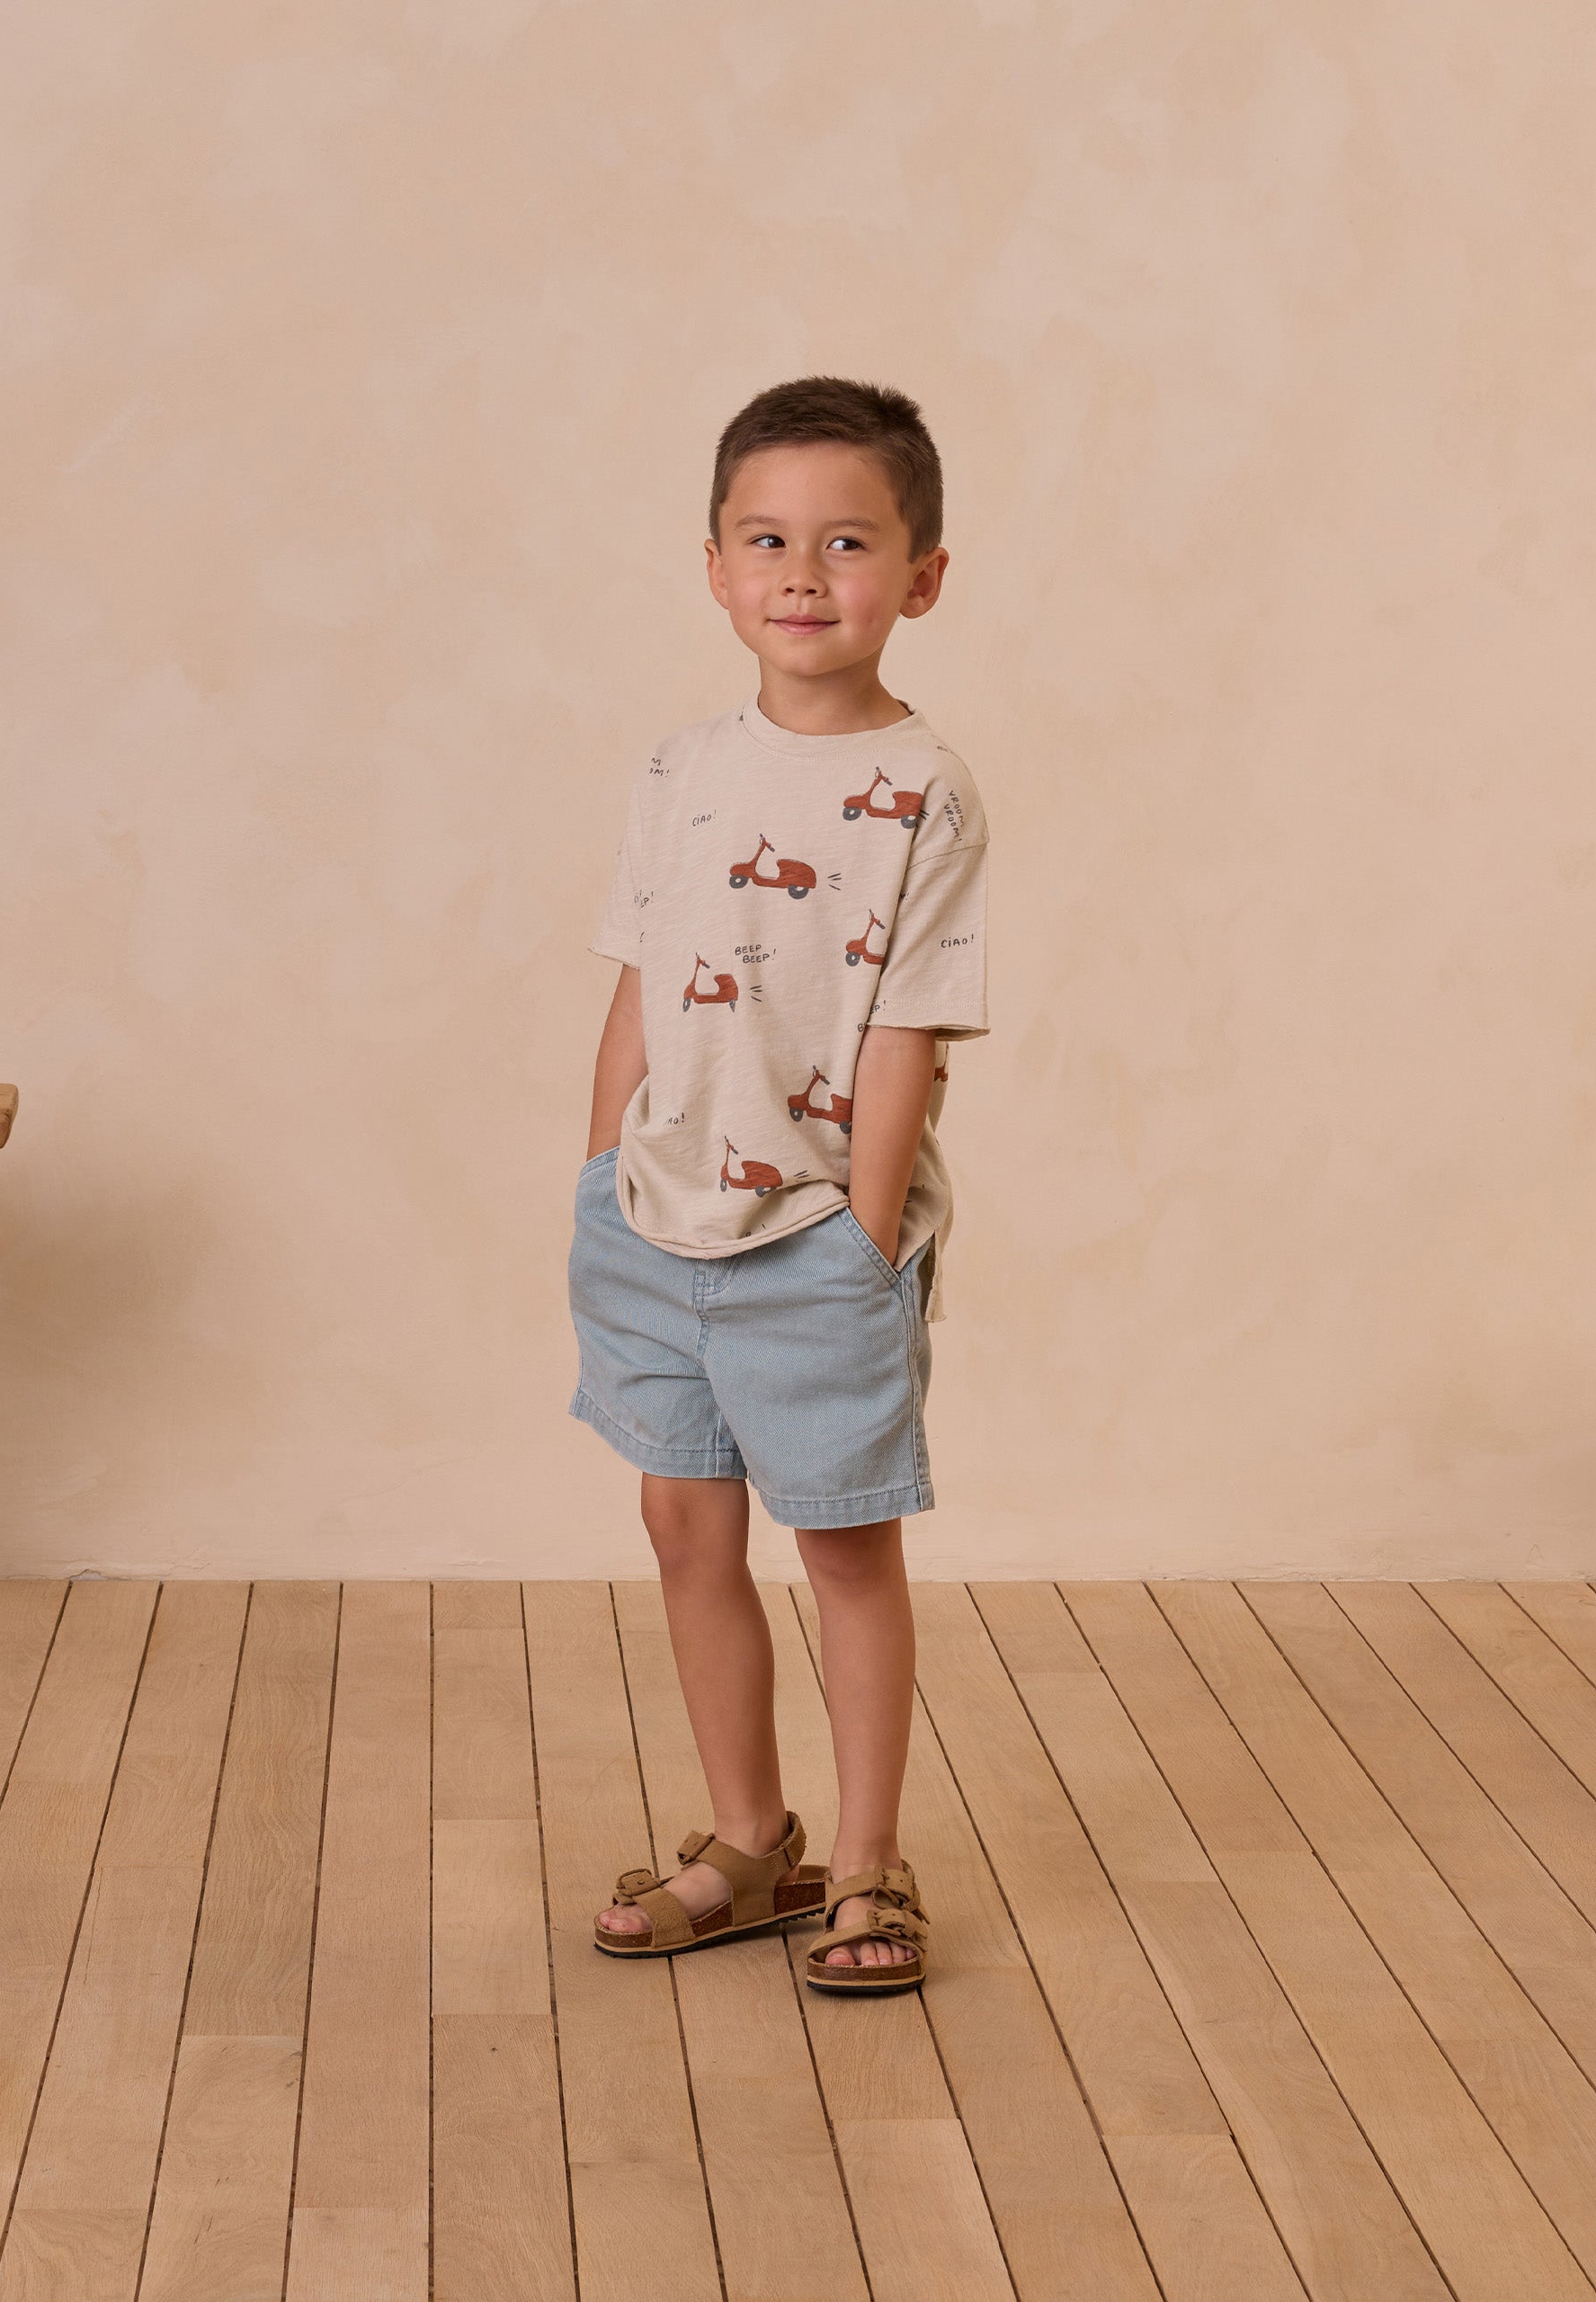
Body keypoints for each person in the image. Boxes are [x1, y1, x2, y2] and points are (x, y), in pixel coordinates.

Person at [567, 375, 989, 1994]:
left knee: (845, 1547)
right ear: (718, 566)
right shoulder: (680, 771)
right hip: (650, 1220)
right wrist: (601, 1168)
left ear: (923, 576)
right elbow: (637, 975)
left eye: (847, 541)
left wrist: (864, 1240)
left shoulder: (925, 791)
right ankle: (752, 1839)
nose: (804, 572)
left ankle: (871, 1865)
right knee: (686, 1528)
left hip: (817, 1238)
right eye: (769, 538)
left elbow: (907, 1029)